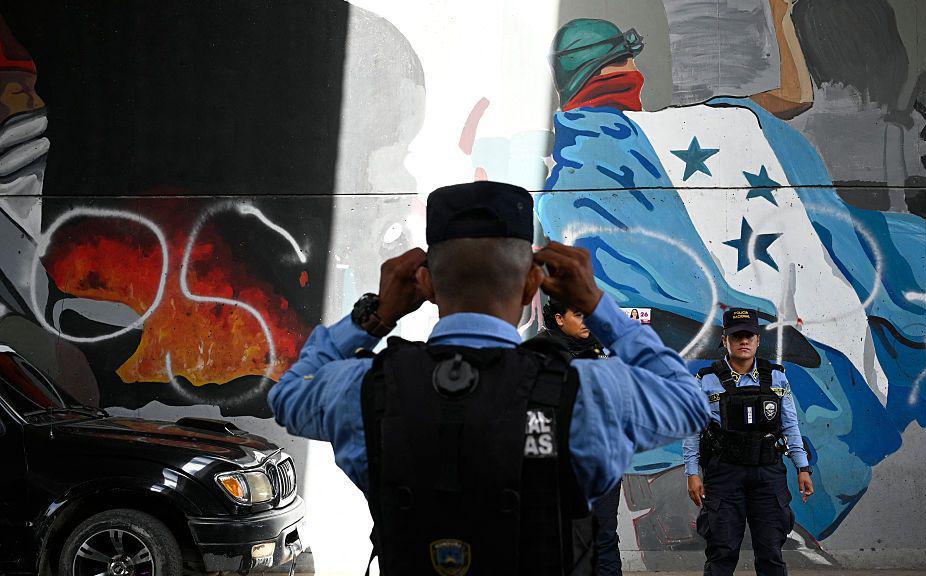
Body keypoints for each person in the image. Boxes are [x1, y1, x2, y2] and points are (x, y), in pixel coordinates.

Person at [269, 181, 710, 576]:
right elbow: (690, 404)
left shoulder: (362, 388)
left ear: (426, 285)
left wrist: (376, 315)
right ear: (531, 286)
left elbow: (287, 395)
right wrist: (597, 305)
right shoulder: (589, 391)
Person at [682, 308, 814, 576]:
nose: (743, 341)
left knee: (771, 551)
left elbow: (790, 425)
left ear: (757, 340)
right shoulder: (706, 380)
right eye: (736, 336)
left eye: (749, 336)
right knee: (721, 550)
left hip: (767, 472)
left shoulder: (776, 377)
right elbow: (692, 431)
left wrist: (802, 468)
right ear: (724, 340)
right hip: (724, 474)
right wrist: (692, 473)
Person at [530, 299, 622, 576]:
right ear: (559, 318)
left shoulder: (605, 351)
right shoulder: (538, 354)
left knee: (604, 537)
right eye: (579, 315)